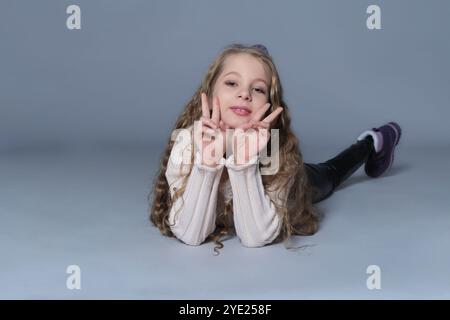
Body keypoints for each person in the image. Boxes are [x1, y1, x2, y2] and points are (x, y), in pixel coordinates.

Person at [149, 44, 402, 254]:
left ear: (269, 105)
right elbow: (190, 235)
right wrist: (208, 163)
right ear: (210, 90)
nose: (244, 94)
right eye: (232, 83)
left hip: (294, 183)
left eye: (258, 89)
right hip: (211, 153)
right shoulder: (187, 142)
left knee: (330, 174)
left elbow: (256, 237)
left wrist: (244, 162)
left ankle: (372, 141)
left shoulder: (275, 150)